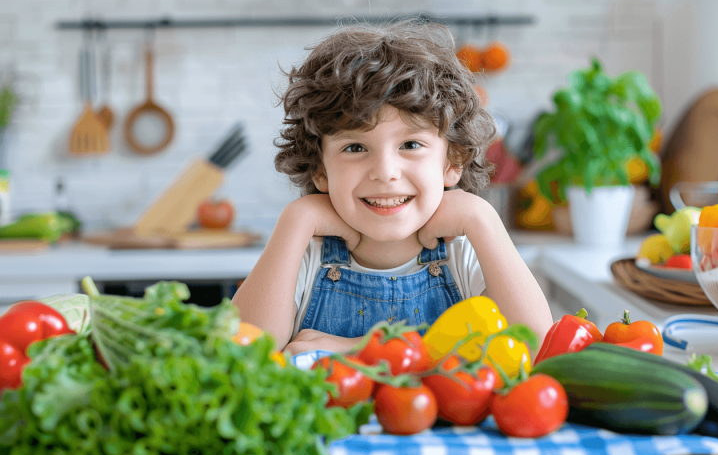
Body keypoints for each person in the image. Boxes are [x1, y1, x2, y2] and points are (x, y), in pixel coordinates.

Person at [232, 19, 553, 356]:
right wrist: (295, 220)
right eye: (355, 148)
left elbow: (535, 347)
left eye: (411, 145)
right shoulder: (305, 254)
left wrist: (481, 217)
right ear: (320, 170)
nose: (385, 172)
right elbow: (243, 352)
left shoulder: (464, 252)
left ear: (452, 161)